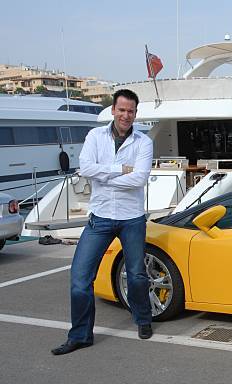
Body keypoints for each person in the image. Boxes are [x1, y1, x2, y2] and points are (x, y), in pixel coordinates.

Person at [52, 89, 154, 355]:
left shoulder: (143, 142)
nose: (126, 115)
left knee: (136, 275)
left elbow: (140, 179)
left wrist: (104, 175)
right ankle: (81, 335)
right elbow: (85, 168)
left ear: (135, 113)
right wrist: (120, 169)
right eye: (121, 110)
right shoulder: (95, 136)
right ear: (113, 110)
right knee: (80, 278)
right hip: (100, 216)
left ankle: (143, 319)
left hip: (131, 217)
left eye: (131, 111)